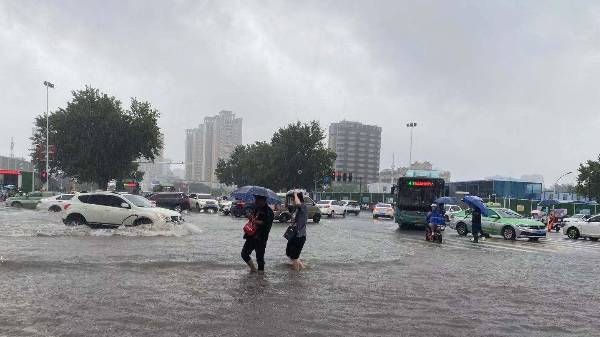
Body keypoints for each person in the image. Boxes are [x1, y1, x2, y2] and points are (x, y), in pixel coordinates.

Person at [241, 195, 274, 273]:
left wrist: (253, 220)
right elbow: (254, 219)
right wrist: (250, 217)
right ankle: (253, 269)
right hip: (251, 236)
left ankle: (261, 277)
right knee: (244, 254)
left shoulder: (269, 211)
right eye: (255, 199)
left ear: (263, 200)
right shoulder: (256, 208)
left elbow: (265, 223)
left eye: (257, 199)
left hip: (261, 238)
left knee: (260, 258)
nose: (255, 201)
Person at [286, 191, 307, 271]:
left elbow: (298, 204)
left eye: (293, 199)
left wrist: (295, 194)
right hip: (293, 235)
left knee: (294, 256)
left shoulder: (303, 207)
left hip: (300, 236)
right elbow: (286, 206)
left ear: (298, 199)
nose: (292, 201)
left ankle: (296, 276)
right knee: (289, 253)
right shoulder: (295, 209)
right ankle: (302, 267)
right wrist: (287, 197)